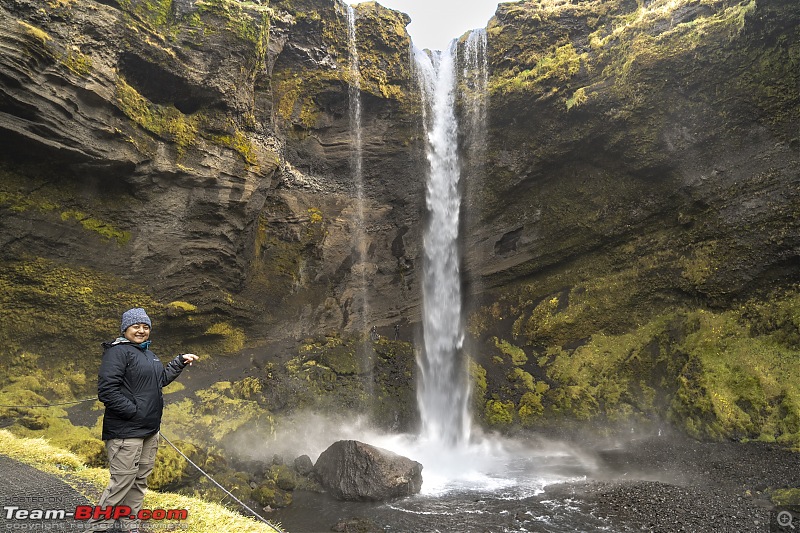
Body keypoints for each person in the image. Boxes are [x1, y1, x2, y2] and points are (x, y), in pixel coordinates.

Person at [86, 308, 199, 533]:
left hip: (149, 431)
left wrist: (178, 362)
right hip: (126, 432)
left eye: (145, 327)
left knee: (139, 481)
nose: (141, 330)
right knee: (121, 483)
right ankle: (97, 528)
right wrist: (135, 412)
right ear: (125, 329)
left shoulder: (147, 353)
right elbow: (107, 391)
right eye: (136, 326)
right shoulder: (118, 353)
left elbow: (160, 381)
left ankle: (130, 525)